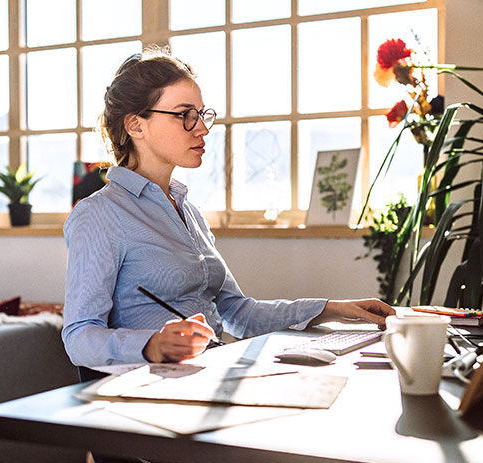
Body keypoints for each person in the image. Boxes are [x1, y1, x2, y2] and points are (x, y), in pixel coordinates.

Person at [62, 47, 394, 370]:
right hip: (147, 394)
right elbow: (78, 337)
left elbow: (239, 312)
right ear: (136, 126)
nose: (203, 128)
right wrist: (152, 345)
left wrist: (334, 309)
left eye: (202, 114)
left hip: (211, 374)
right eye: (185, 115)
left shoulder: (187, 210)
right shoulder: (100, 215)